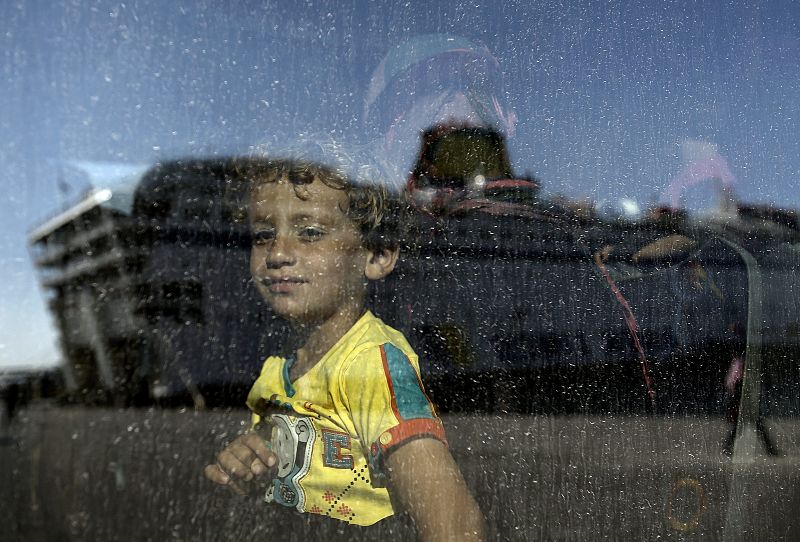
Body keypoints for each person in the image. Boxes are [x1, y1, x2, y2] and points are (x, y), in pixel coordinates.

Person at [203, 144, 486, 541]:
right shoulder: (276, 369)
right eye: (264, 235)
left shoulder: (370, 365)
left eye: (310, 233)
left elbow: (453, 526)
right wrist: (249, 464)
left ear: (377, 255)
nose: (278, 253)